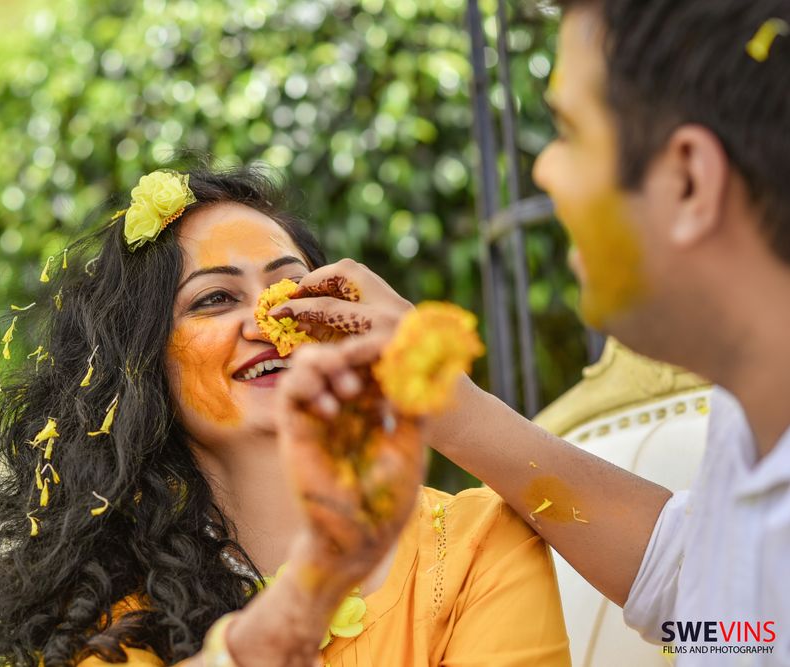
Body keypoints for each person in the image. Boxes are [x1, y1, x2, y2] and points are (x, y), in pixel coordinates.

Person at [278, 0, 790, 664]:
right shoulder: (751, 414)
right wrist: (452, 408)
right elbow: (715, 599)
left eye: (570, 133)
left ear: (689, 178)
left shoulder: (467, 556)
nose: (544, 170)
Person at [0, 165, 570, 666]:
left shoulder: (481, 541)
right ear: (144, 368)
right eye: (215, 298)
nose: (274, 320)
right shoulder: (108, 616)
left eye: (298, 290)